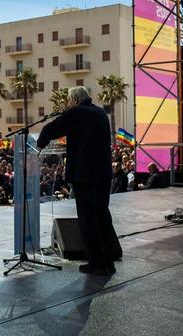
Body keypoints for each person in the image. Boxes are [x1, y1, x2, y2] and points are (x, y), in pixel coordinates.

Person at [37, 86, 121, 276]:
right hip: (103, 173)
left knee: (87, 218)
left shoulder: (78, 112)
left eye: (69, 100)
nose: (68, 104)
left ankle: (97, 263)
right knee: (102, 214)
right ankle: (109, 259)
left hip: (86, 174)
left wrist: (39, 145)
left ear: (74, 99)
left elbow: (50, 128)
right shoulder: (100, 112)